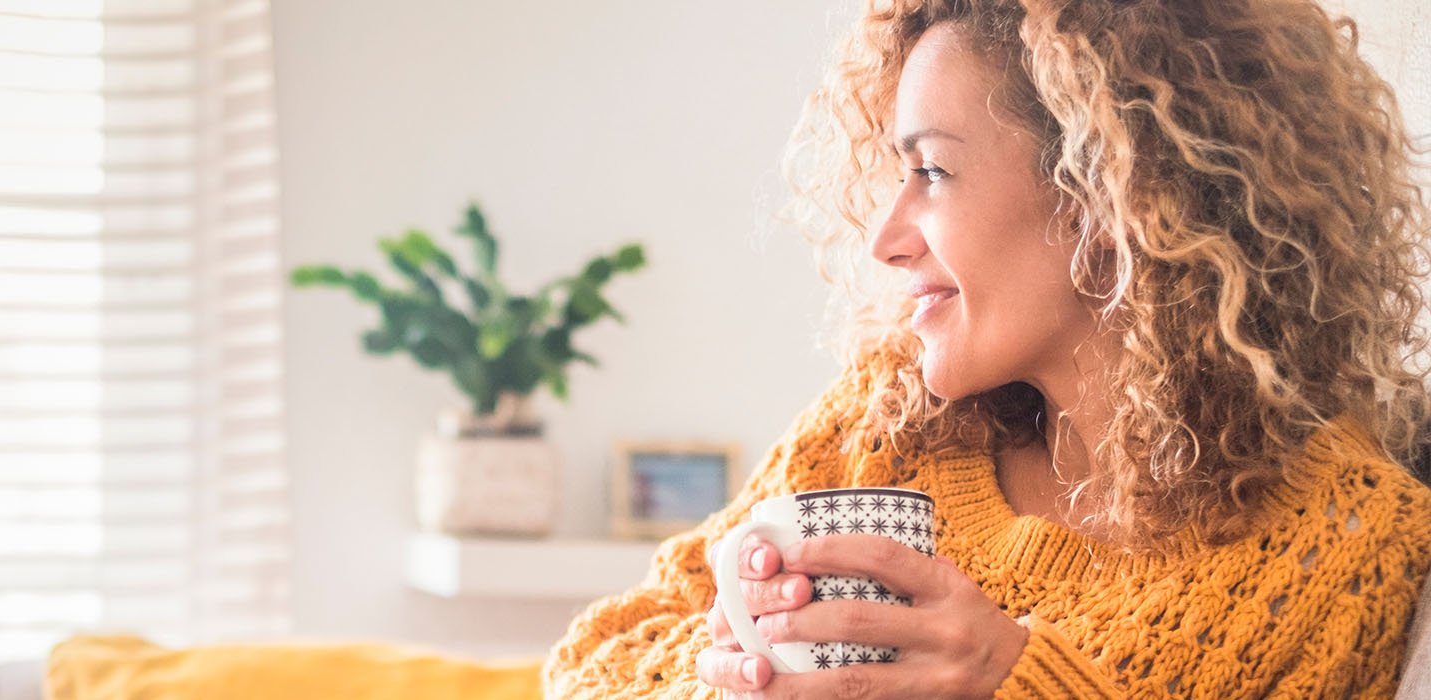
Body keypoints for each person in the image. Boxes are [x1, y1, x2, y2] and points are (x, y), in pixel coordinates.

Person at [543, 0, 1431, 697]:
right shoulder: (886, 423)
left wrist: (1019, 684)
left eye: (931, 172)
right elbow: (597, 658)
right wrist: (735, 679)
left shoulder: (1341, 548)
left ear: (1117, 191)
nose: (885, 238)